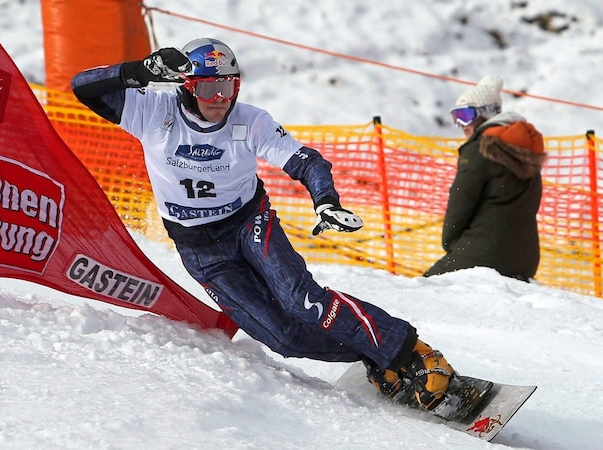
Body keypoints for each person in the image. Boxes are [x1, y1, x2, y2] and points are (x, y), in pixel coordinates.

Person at [72, 38, 454, 412]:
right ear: (187, 86)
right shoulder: (155, 111)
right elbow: (82, 87)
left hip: (248, 223)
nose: (220, 98)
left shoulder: (250, 120)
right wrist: (142, 70)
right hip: (199, 249)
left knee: (303, 301)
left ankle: (411, 351)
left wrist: (325, 201)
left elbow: (307, 161)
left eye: (228, 86)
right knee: (282, 337)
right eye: (208, 87)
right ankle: (377, 355)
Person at [424, 75, 547, 281]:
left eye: (466, 115)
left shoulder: (479, 149)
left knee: (428, 288)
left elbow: (461, 199)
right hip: (525, 259)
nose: (462, 124)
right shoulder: (524, 150)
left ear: (487, 113)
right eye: (457, 117)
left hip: (482, 253)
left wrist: (451, 242)